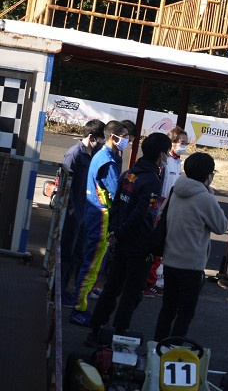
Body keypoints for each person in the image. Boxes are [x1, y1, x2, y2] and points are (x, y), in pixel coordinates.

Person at [85, 132, 172, 345]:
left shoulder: (130, 173)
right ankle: (118, 333)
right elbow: (141, 213)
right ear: (161, 154)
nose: (168, 157)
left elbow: (117, 205)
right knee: (132, 293)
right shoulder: (151, 180)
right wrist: (120, 232)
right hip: (138, 243)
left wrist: (115, 231)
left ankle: (95, 330)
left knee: (112, 287)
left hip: (121, 240)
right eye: (167, 152)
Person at [153, 152, 228, 341]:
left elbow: (161, 215)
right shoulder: (205, 198)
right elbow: (221, 226)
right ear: (208, 175)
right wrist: (211, 196)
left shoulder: (176, 190)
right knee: (185, 313)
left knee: (167, 309)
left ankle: (157, 346)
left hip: (169, 259)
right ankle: (173, 348)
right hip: (191, 266)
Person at [69, 120, 129, 327]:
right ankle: (78, 309)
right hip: (101, 216)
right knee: (93, 264)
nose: (127, 141)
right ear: (114, 136)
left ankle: (81, 304)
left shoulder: (103, 155)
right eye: (125, 136)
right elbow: (115, 192)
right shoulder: (108, 161)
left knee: (93, 263)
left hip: (95, 213)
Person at [59, 119, 106, 307]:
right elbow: (63, 183)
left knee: (78, 253)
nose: (102, 143)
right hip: (73, 213)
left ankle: (67, 291)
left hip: (84, 212)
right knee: (66, 254)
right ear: (92, 137)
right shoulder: (74, 154)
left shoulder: (91, 154)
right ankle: (58, 292)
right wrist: (70, 209)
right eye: (101, 139)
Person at [144, 126, 190, 297]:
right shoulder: (165, 161)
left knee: (162, 249)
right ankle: (148, 283)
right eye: (181, 142)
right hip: (159, 206)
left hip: (170, 206)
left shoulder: (178, 162)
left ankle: (154, 281)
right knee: (155, 248)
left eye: (186, 143)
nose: (184, 146)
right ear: (172, 142)